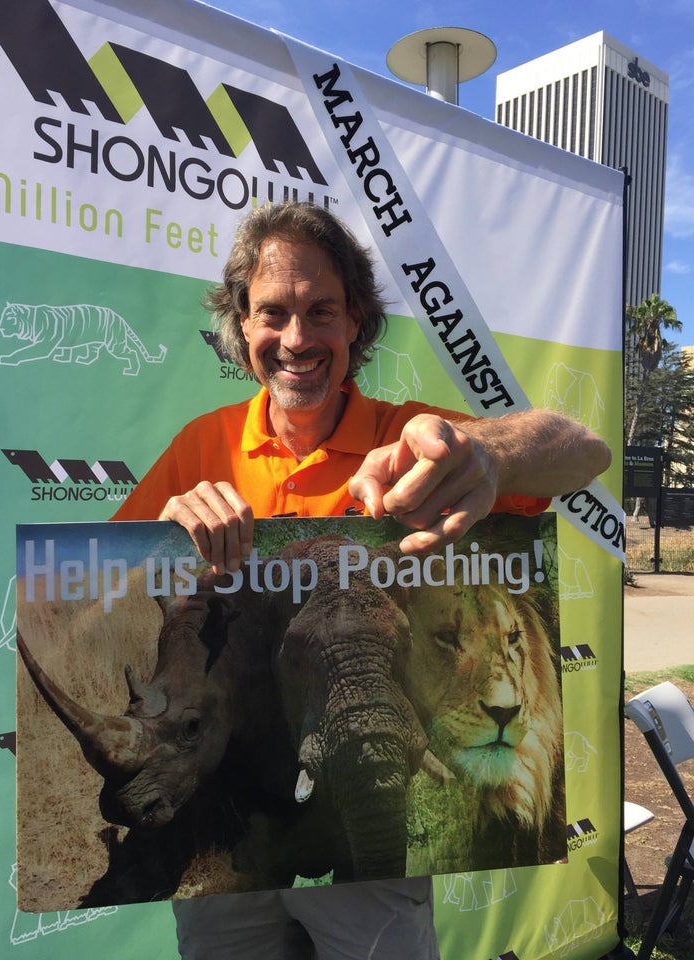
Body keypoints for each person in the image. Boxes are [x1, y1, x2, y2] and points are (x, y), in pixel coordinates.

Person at [112, 201, 611, 960]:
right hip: (239, 834)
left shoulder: (412, 440)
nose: (298, 339)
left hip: (370, 803)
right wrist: (167, 535)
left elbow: (585, 450)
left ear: (357, 324)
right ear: (241, 325)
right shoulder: (201, 445)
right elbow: (104, 587)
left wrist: (487, 454)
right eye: (273, 313)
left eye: (323, 312)